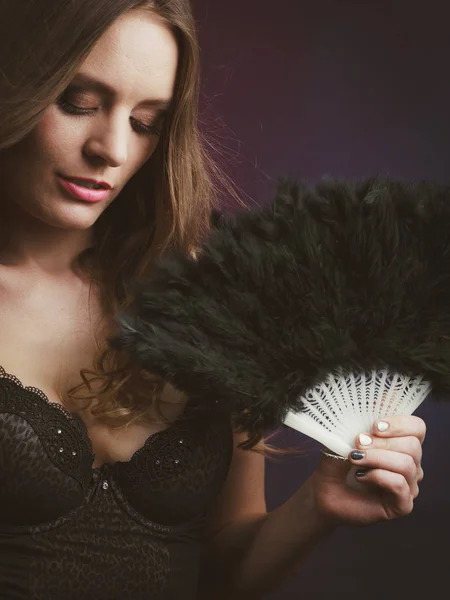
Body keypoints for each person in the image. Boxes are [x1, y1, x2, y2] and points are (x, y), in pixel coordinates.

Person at [0, 1, 426, 599]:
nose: (112, 149)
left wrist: (318, 506)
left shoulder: (212, 303)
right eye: (79, 103)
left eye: (147, 122)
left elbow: (223, 573)